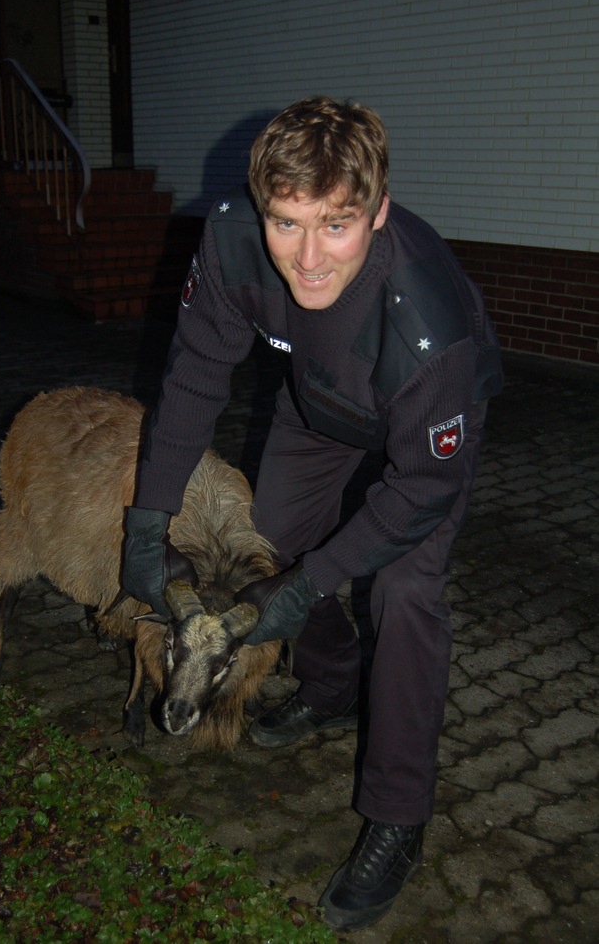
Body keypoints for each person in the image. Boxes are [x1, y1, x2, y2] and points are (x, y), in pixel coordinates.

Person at [121, 96, 503, 931]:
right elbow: (192, 382)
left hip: (420, 431)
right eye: (287, 223)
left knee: (403, 596)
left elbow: (419, 490)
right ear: (261, 207)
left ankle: (399, 817)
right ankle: (330, 684)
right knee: (277, 543)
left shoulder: (427, 319)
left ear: (378, 210)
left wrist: (317, 583)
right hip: (318, 407)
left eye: (337, 225)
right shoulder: (228, 240)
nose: (308, 256)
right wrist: (147, 521)